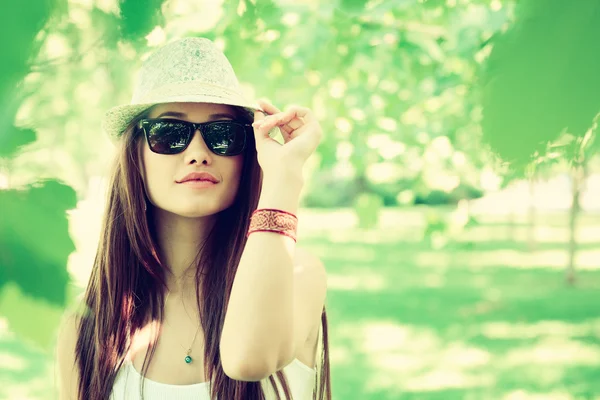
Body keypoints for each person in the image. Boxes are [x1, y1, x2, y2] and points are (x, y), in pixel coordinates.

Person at [55, 37, 331, 400]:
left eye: (222, 135)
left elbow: (248, 360)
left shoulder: (298, 276)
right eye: (170, 133)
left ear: (246, 154)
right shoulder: (86, 329)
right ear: (134, 154)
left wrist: (284, 177)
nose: (198, 153)